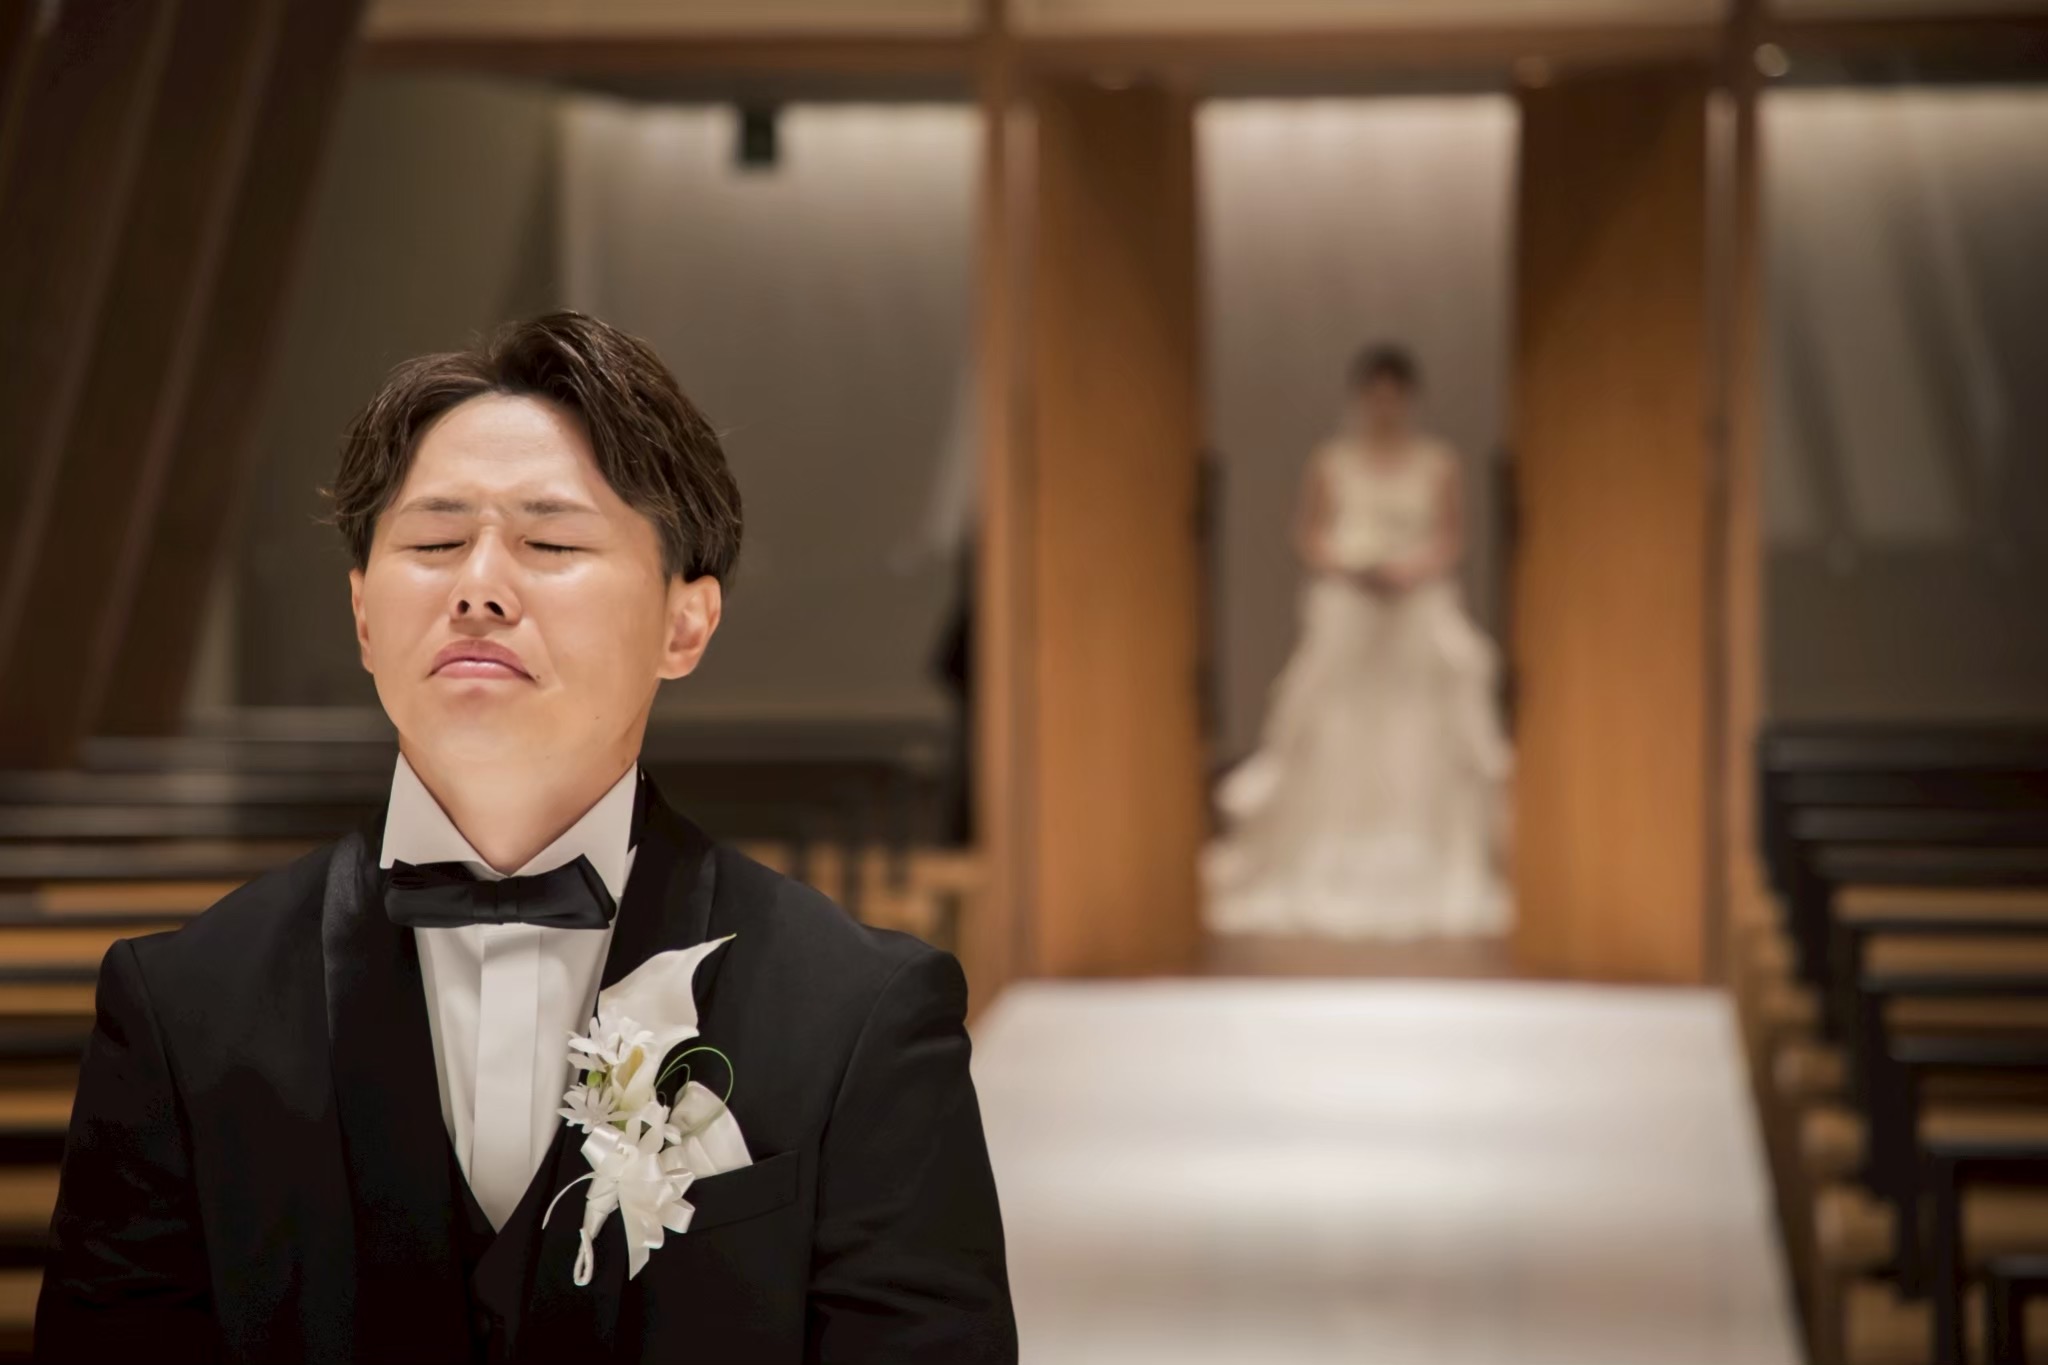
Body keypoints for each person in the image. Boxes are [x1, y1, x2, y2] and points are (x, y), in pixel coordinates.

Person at [34, 313, 1017, 1363]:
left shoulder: (859, 1017)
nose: (479, 586)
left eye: (550, 544)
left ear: (685, 623)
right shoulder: (181, 1009)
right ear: (362, 614)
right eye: (433, 543)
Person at [1203, 344, 1511, 940]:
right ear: (1362, 397)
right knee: (1337, 730)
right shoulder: (1332, 461)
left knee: (1418, 733)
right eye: (1376, 394)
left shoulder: (1437, 462)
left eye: (1395, 394)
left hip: (1416, 612)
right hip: (1350, 610)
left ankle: (1423, 862)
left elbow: (1451, 536)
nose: (1385, 405)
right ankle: (1326, 859)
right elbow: (1310, 533)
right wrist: (1351, 567)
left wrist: (1411, 571)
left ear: (1410, 398)